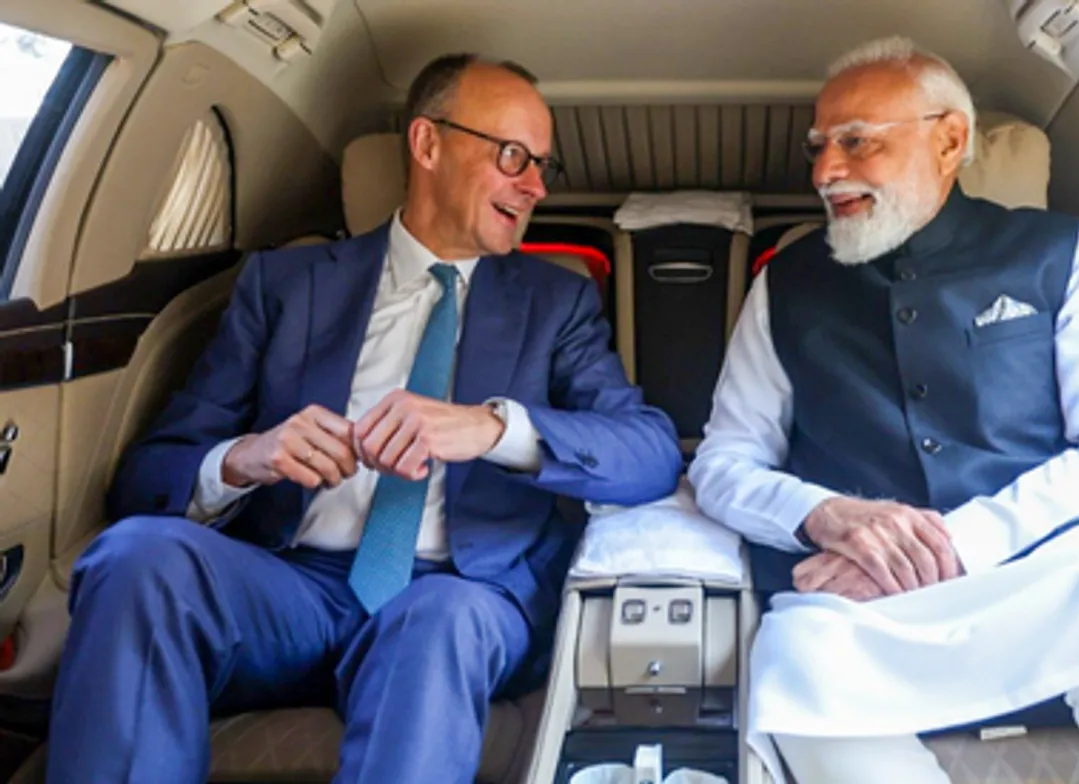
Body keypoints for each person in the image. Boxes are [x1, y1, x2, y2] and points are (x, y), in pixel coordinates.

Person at [46, 54, 682, 783]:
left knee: (440, 620)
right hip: (290, 588)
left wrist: (492, 427)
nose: (535, 185)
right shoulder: (283, 286)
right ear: (427, 143)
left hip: (457, 592)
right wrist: (243, 457)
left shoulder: (555, 302)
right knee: (136, 557)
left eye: (542, 164)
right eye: (513, 156)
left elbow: (650, 452)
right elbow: (146, 477)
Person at [689, 36, 1079, 784]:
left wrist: (957, 544)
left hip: (1050, 573)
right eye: (820, 148)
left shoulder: (1059, 255)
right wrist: (828, 516)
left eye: (857, 143)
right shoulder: (787, 284)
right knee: (796, 669)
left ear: (950, 139)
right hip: (861, 606)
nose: (826, 172)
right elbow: (723, 463)